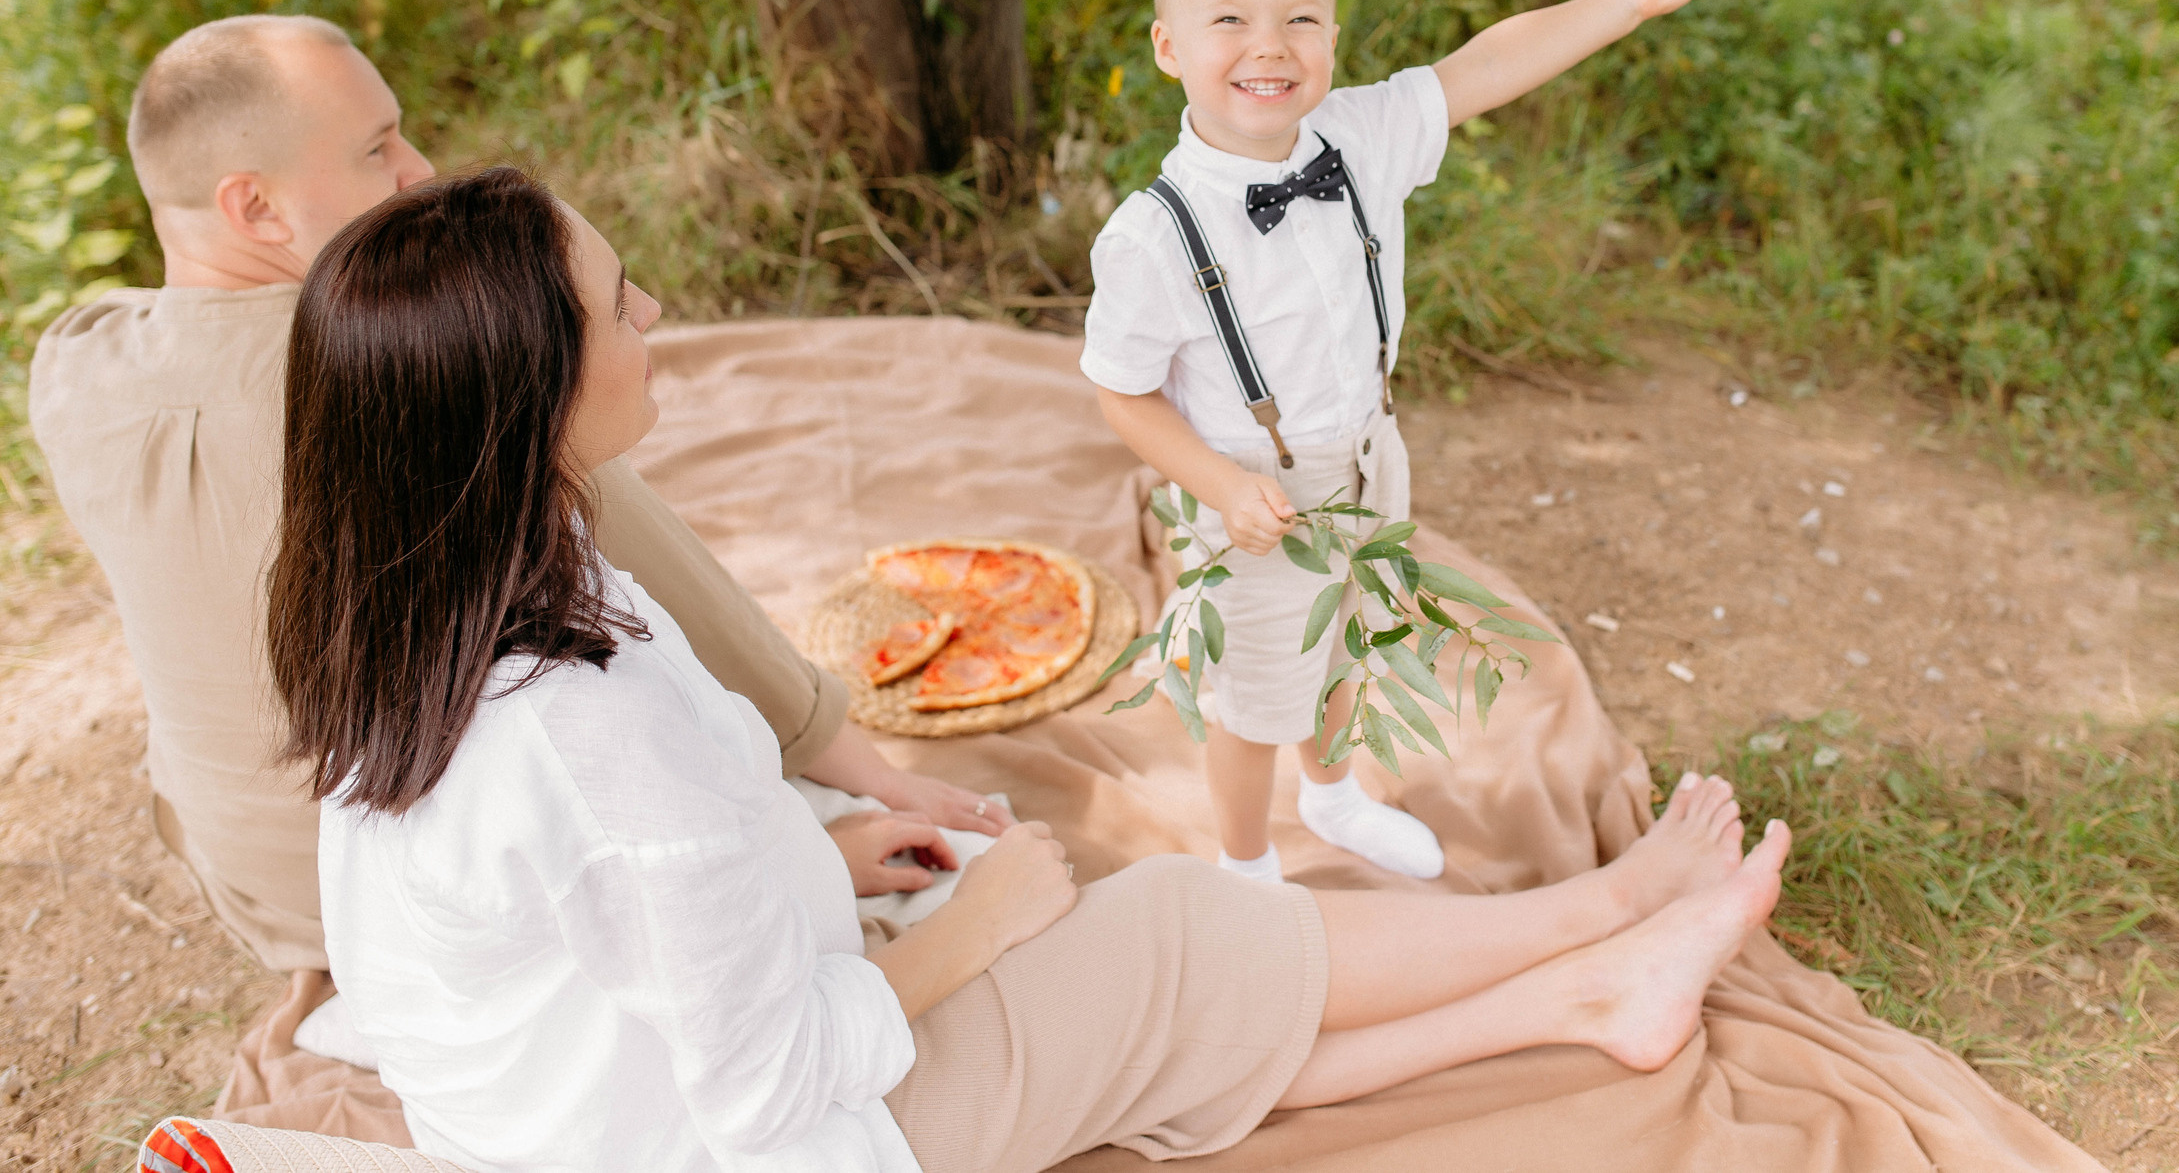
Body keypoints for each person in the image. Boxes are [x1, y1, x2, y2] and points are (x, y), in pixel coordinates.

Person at [271, 164, 1790, 1173]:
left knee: (1147, 986)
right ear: (530, 391)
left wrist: (832, 856)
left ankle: (1595, 990)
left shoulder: (422, 605)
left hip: (587, 1104)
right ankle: (1600, 918)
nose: (658, 312)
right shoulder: (586, 722)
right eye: (621, 302)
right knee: (1178, 929)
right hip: (738, 1141)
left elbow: (618, 912)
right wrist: (968, 933)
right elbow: (756, 1088)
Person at [28, 15, 1000, 982]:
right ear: (256, 209)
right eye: (378, 149)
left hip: (249, 884)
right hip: (437, 911)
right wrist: (861, 767)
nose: (418, 169)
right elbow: (679, 588)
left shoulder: (71, 368)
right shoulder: (394, 381)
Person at [1080, 0, 1722, 882]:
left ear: (1334, 32)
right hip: (1250, 490)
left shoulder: (1362, 136)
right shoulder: (1152, 236)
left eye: (1300, 18)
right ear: (1168, 46)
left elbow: (1486, 63)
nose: (1270, 46)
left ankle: (1333, 796)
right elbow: (1123, 393)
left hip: (1368, 457)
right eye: (1229, 20)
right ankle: (1244, 864)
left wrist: (1620, 3)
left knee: (1348, 642)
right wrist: (1217, 486)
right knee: (1256, 697)